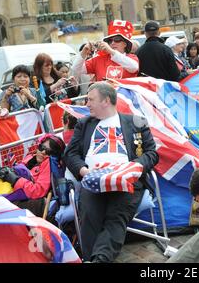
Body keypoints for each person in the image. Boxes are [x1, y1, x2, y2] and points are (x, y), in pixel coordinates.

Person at [63, 82, 159, 262]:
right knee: (89, 215)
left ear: (106, 100)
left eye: (91, 99)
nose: (87, 104)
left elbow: (152, 154)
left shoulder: (136, 122)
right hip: (92, 179)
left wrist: (134, 167)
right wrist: (85, 172)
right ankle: (91, 258)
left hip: (126, 181)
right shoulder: (84, 124)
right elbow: (70, 154)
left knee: (116, 216)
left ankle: (99, 259)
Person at [0, 134, 66, 202]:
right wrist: (7, 172)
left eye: (49, 151)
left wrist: (15, 180)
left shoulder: (48, 163)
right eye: (42, 147)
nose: (43, 152)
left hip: (32, 201)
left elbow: (38, 191)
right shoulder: (31, 157)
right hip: (12, 191)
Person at [73, 20, 139, 83]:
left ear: (125, 44)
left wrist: (111, 51)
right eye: (110, 41)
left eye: (117, 39)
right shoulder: (99, 59)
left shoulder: (132, 58)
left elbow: (134, 67)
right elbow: (76, 69)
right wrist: (83, 52)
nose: (113, 43)